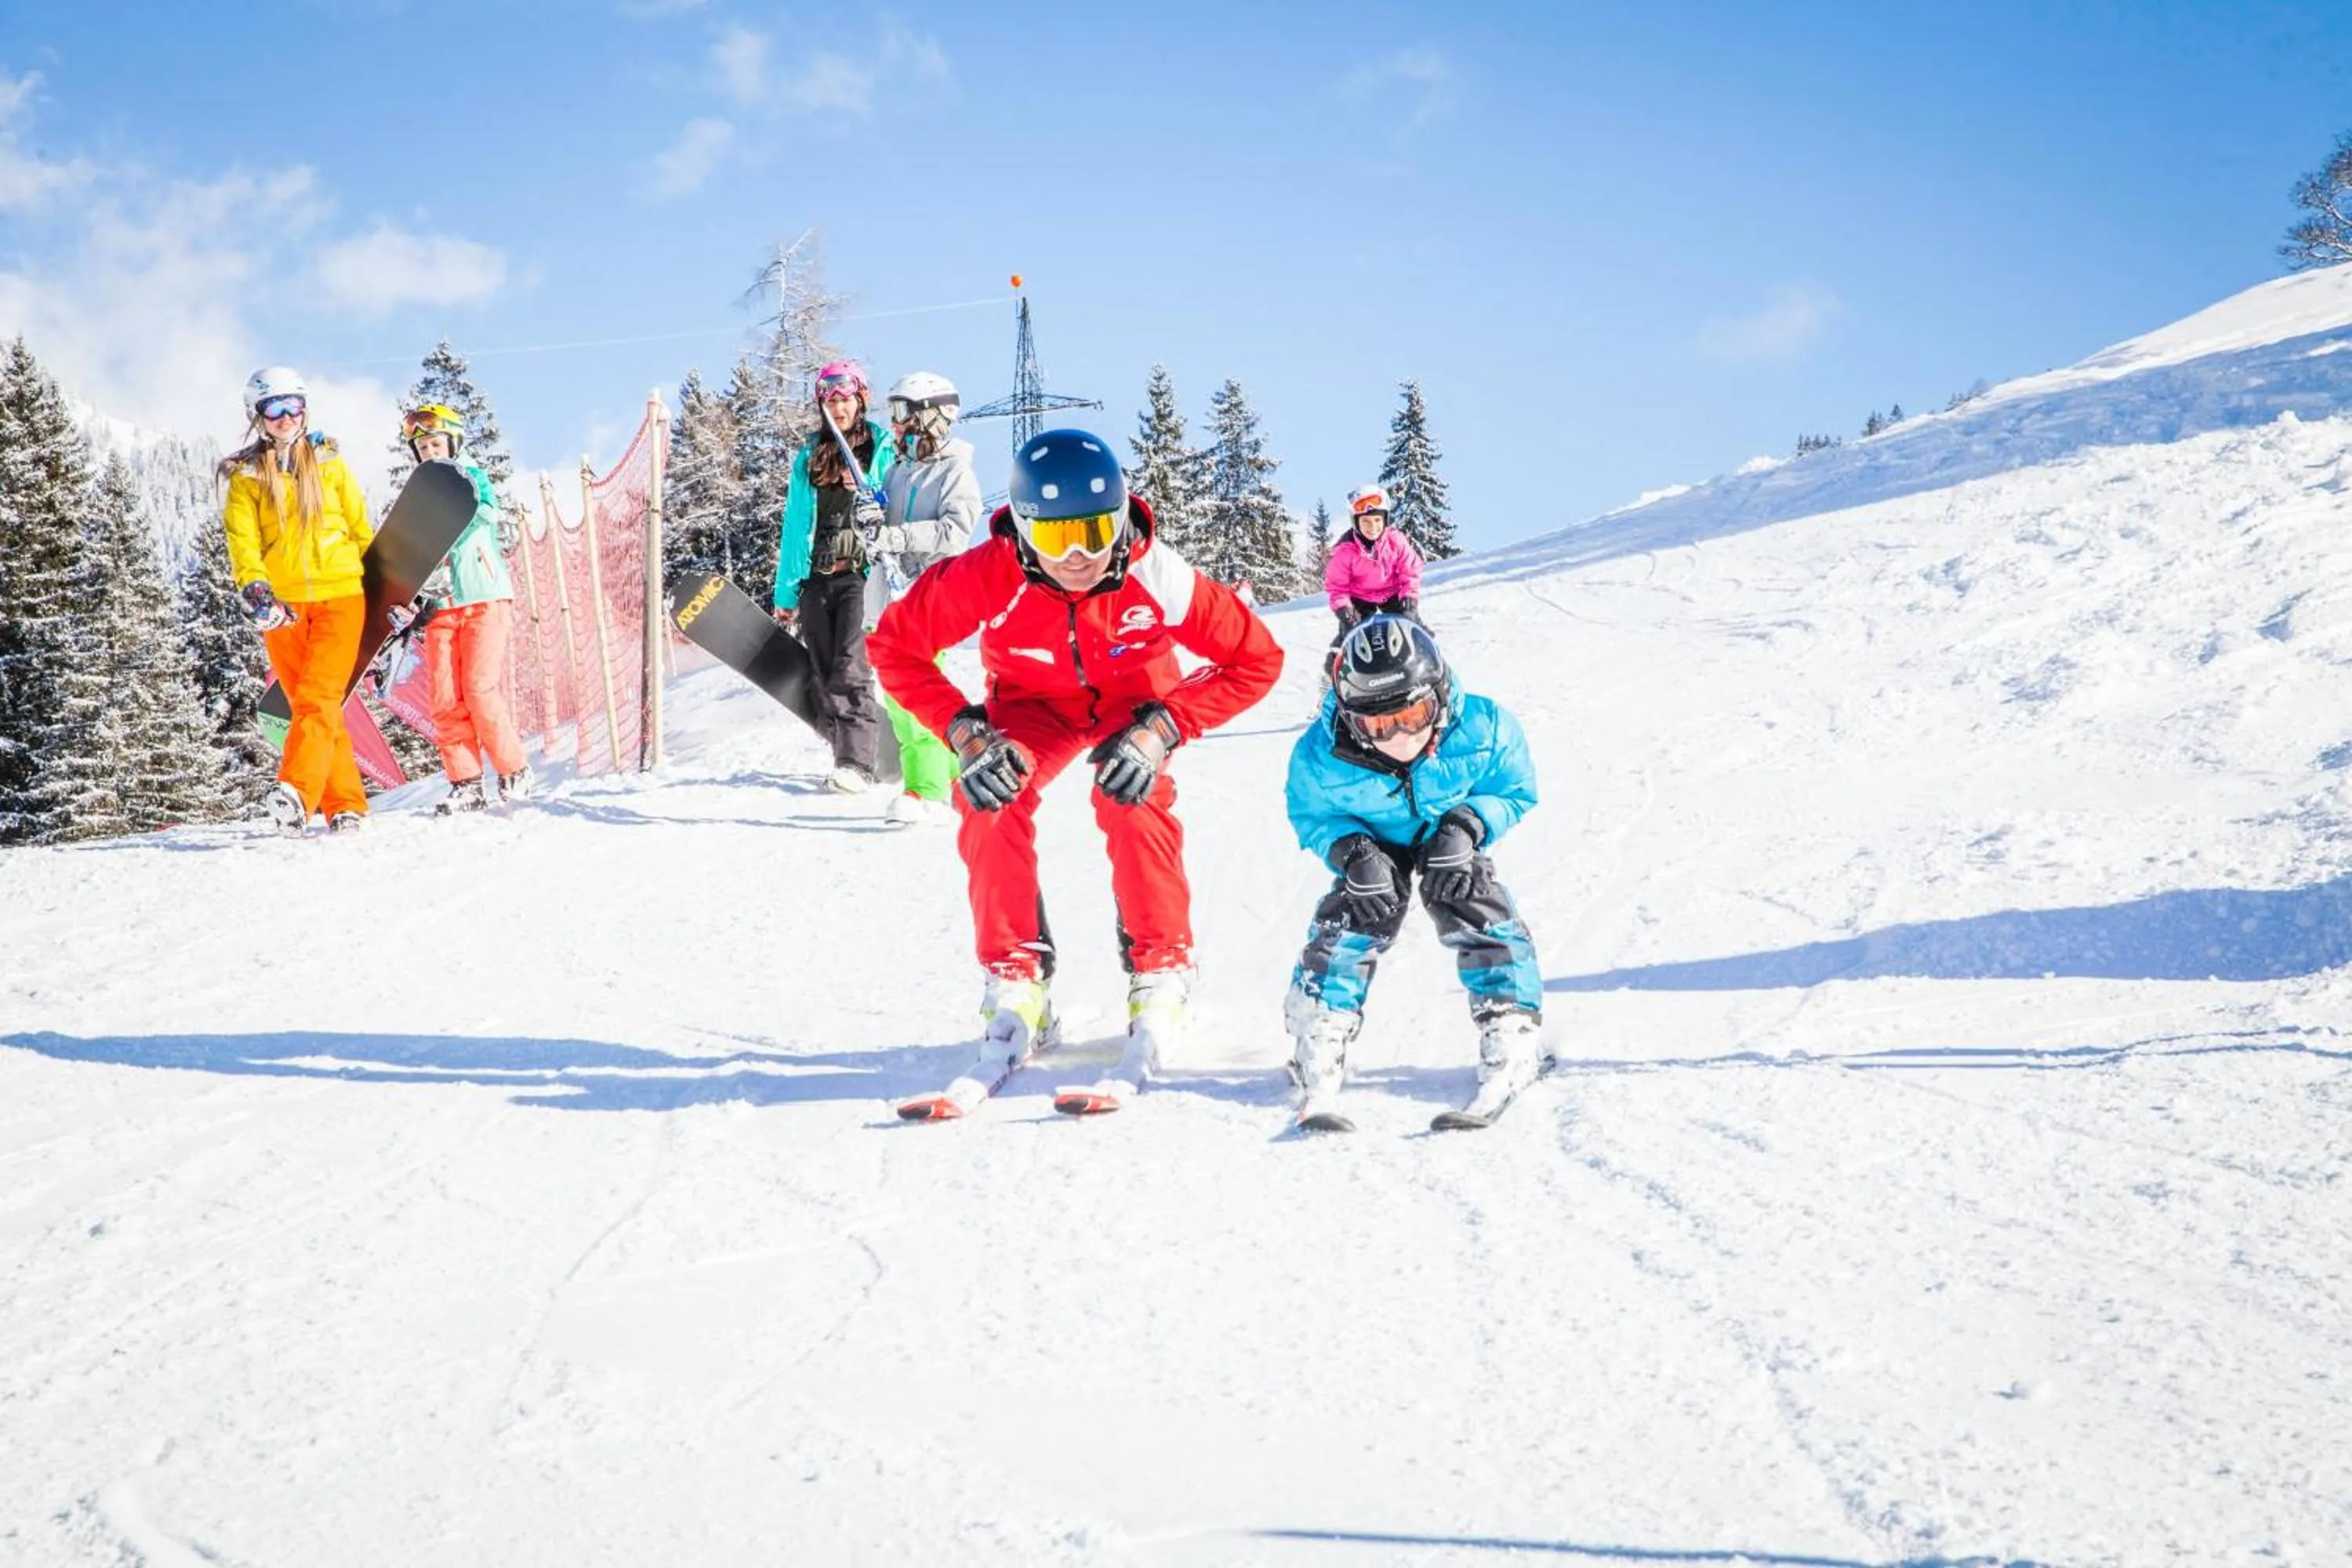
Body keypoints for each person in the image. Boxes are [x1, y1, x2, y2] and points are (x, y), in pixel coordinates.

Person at [868, 429, 1283, 1098]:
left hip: (1135, 707)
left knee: (1131, 798)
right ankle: (1017, 984)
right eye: (1060, 539)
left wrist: (1167, 728)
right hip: (1033, 707)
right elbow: (894, 648)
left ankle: (1162, 970)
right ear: (1026, 532)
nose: (1083, 555)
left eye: (1098, 530)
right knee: (987, 797)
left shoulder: (1157, 574)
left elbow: (1257, 658)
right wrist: (965, 733)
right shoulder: (987, 573)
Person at [1281, 615, 1544, 1119]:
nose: (1401, 736)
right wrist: (1351, 852)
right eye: (1380, 726)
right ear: (1353, 718)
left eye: (1414, 714)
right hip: (1374, 839)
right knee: (1361, 906)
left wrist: (1469, 824)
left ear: (1439, 694)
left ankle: (1511, 1023)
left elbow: (1515, 789)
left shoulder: (1484, 728)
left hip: (1445, 830)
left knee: (1467, 892)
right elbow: (1312, 813)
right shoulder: (1320, 755)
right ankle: (1320, 1021)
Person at [219, 366, 375, 837]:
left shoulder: (329, 462)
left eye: (294, 405)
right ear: (257, 415)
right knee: (314, 707)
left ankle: (297, 792)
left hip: (341, 594)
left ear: (306, 408)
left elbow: (360, 528)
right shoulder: (246, 477)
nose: (286, 416)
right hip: (283, 606)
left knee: (318, 698)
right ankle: (345, 805)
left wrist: (393, 589)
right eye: (274, 407)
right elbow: (242, 542)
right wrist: (256, 587)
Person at [397, 404, 530, 814]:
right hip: (441, 607)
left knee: (479, 687)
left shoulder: (472, 478)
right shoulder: (416, 496)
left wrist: (443, 527)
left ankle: (514, 770)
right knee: (444, 697)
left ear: (453, 442)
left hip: (483, 596)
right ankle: (466, 782)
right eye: (422, 448)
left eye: (437, 443)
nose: (430, 453)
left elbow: (485, 512)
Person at [771, 361, 896, 793]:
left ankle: (856, 764)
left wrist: (869, 485)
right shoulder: (810, 457)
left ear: (861, 400)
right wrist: (786, 590)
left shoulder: (881, 448)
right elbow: (794, 525)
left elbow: (893, 502)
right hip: (816, 578)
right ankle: (853, 755)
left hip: (860, 577)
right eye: (830, 400)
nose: (839, 408)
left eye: (846, 399)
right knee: (824, 675)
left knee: (849, 667)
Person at [866, 371, 983, 827]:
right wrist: (870, 517)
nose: (895, 424)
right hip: (888, 599)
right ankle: (956, 777)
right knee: (898, 696)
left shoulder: (957, 471)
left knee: (916, 692)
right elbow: (879, 535)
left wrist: (895, 536)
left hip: (928, 597)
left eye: (902, 413)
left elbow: (955, 534)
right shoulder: (897, 470)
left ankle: (927, 790)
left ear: (933, 416)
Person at [1325, 483, 1425, 630]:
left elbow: (1410, 572)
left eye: (1377, 520)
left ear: (1385, 520)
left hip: (1393, 594)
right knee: (1351, 632)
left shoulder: (1396, 541)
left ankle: (1425, 650)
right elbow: (1337, 588)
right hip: (1360, 599)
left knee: (1412, 626)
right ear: (1356, 522)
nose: (1372, 527)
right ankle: (1340, 651)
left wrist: (1409, 599)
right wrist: (1347, 613)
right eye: (1365, 521)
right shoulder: (1345, 551)